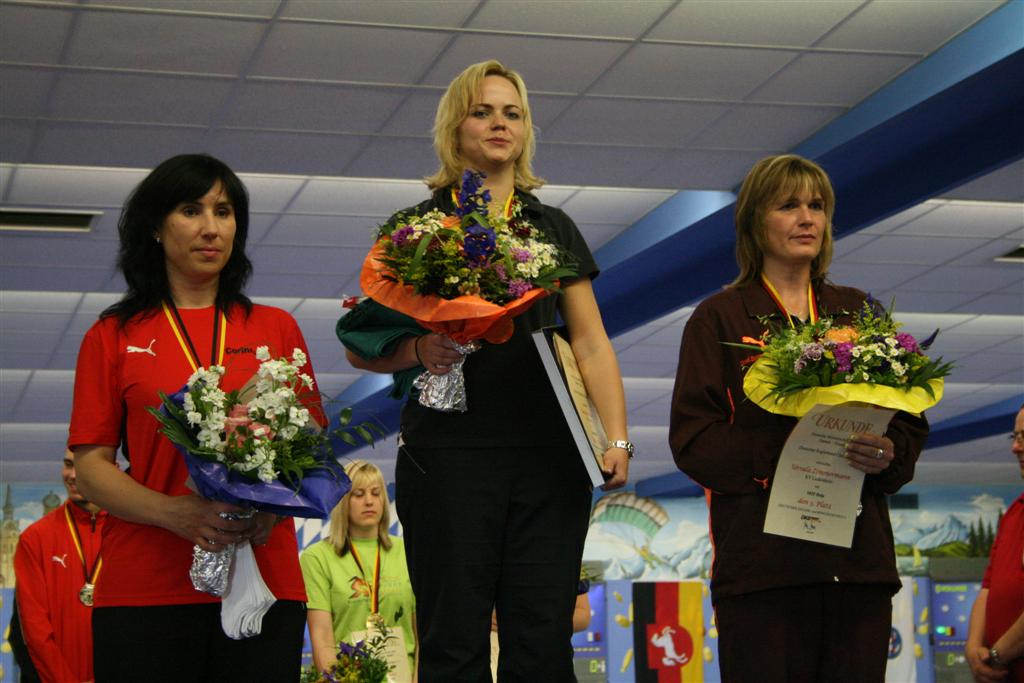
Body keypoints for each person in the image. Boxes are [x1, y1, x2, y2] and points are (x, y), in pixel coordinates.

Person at [343, 59, 631, 681]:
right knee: (452, 642)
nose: (500, 124)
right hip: (447, 457)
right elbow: (360, 347)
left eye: (513, 113)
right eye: (483, 112)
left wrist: (616, 438)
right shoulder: (417, 230)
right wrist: (418, 350)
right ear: (455, 126)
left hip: (550, 458)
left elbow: (591, 342)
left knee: (542, 641)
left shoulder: (552, 227)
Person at [669, 154, 929, 683]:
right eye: (788, 206)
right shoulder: (719, 318)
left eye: (817, 206)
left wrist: (888, 452)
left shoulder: (859, 312)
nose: (807, 218)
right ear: (755, 221)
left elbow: (908, 418)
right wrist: (783, 451)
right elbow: (694, 439)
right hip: (764, 571)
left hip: (857, 567)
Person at [68, 154, 324, 681]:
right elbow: (91, 468)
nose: (211, 228)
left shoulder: (275, 328)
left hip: (262, 580)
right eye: (191, 210)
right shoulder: (113, 335)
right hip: (147, 583)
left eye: (224, 212)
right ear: (155, 227)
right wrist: (174, 513)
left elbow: (313, 446)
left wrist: (271, 512)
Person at [300, 460, 417, 677]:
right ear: (343, 500)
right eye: (359, 494)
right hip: (346, 678)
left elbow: (424, 636)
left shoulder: (408, 551)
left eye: (376, 493)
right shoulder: (317, 558)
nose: (369, 501)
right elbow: (322, 638)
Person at [13, 449, 108, 683]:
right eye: (68, 464)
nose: (73, 475)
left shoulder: (129, 535)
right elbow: (35, 632)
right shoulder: (36, 538)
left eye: (82, 465)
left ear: (111, 469)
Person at [965, 405, 1024, 683]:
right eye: (1015, 436)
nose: (1015, 447)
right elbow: (988, 587)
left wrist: (996, 656)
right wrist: (973, 648)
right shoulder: (1015, 512)